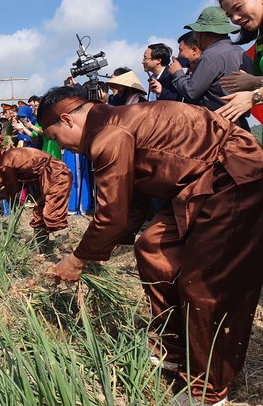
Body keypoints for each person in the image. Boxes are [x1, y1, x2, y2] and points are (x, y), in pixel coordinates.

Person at [37, 86, 263, 406]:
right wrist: (100, 248)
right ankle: (174, 346)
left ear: (66, 120)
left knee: (204, 284)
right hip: (198, 181)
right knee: (152, 246)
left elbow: (112, 216)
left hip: (232, 174)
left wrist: (78, 259)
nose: (64, 148)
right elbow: (132, 204)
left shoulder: (108, 135)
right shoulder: (113, 125)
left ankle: (208, 391)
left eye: (56, 137)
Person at [0, 137, 73, 250]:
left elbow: (13, 188)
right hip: (46, 177)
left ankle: (67, 255)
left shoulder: (6, 162)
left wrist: (1, 193)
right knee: (39, 212)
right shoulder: (8, 156)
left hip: (56, 174)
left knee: (53, 213)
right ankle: (40, 247)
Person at [170, 6, 253, 131]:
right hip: (241, 127)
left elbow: (191, 92)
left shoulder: (211, 55)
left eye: (197, 33)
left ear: (206, 33)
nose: (196, 38)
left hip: (217, 127)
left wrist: (178, 73)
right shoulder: (241, 53)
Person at [217, 0, 263, 124]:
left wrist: (254, 96)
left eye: (238, 8)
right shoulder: (259, 44)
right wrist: (255, 82)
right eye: (229, 15)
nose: (235, 18)